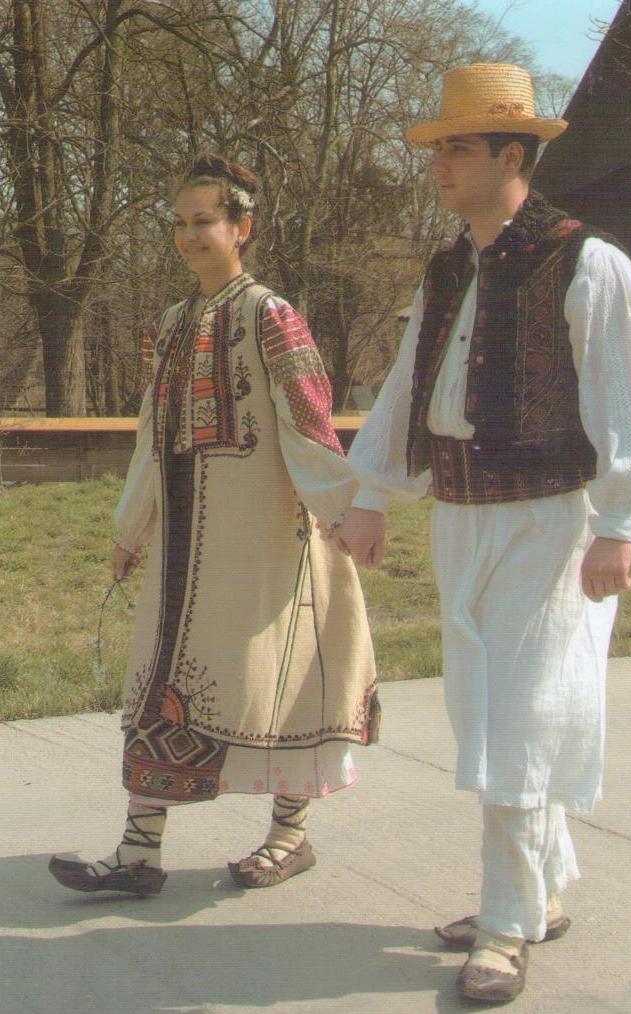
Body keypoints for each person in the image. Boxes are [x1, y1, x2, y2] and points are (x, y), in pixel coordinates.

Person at [333, 64, 631, 1004]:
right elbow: (407, 390)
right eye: (439, 147)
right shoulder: (446, 268)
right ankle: (540, 891)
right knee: (491, 713)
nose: (440, 163)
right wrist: (372, 497)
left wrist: (620, 523)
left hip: (552, 524)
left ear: (512, 153)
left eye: (459, 146)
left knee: (525, 722)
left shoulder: (584, 260)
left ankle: (507, 925)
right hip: (464, 518)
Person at [49, 153, 378, 896]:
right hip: (181, 549)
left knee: (283, 675)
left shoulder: (272, 315)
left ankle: (290, 835)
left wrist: (344, 511)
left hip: (267, 541)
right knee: (161, 679)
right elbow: (150, 437)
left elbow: (308, 424)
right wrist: (130, 529)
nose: (189, 236)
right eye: (179, 223)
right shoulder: (168, 326)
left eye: (204, 222)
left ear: (242, 228)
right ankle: (139, 852)